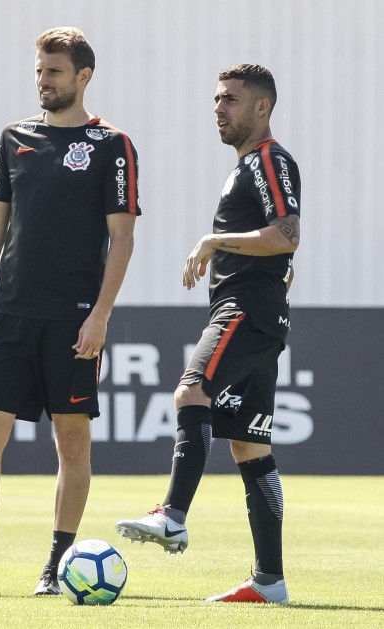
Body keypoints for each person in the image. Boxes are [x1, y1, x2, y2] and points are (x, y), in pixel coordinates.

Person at [0, 26, 141, 597]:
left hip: (72, 319)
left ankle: (58, 566)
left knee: (71, 443)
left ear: (83, 76)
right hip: (9, 315)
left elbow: (122, 239)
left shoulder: (111, 144)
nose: (43, 81)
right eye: (39, 71)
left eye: (55, 72)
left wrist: (101, 315)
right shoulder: (14, 137)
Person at [115, 64, 300, 604]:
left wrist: (215, 240)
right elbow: (282, 242)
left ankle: (173, 515)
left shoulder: (270, 159)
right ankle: (270, 581)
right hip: (261, 312)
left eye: (230, 100)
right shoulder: (248, 165)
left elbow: (287, 232)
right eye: (216, 99)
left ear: (261, 108)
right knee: (250, 445)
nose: (218, 108)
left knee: (190, 390)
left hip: (245, 309)